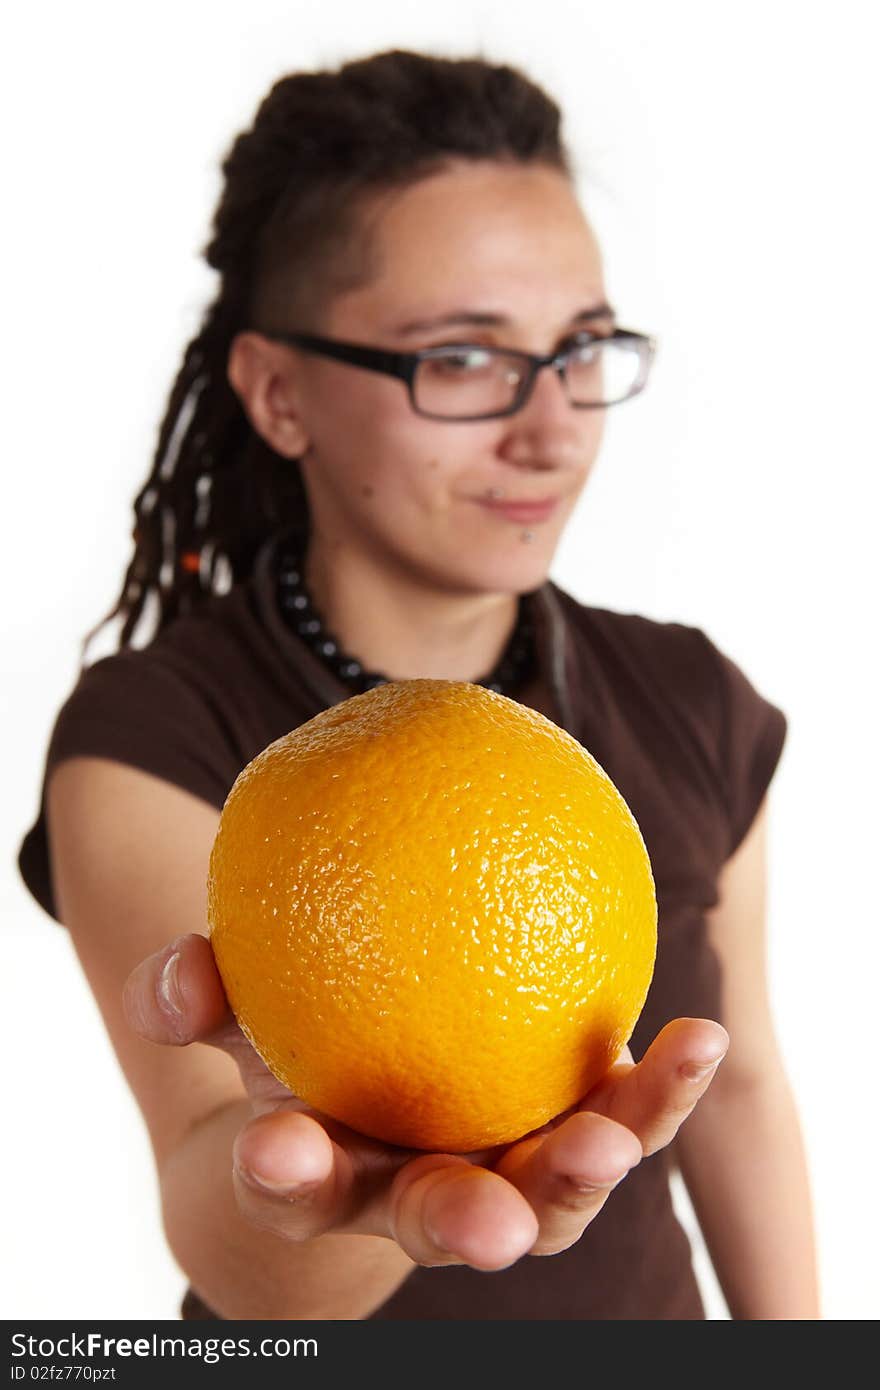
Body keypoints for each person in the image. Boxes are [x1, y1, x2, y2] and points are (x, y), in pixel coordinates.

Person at [17, 48, 819, 1321]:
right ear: (279, 393)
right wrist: (332, 1203)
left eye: (581, 347)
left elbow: (745, 1091)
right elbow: (215, 1185)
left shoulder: (689, 695)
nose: (550, 425)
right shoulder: (153, 731)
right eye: (460, 357)